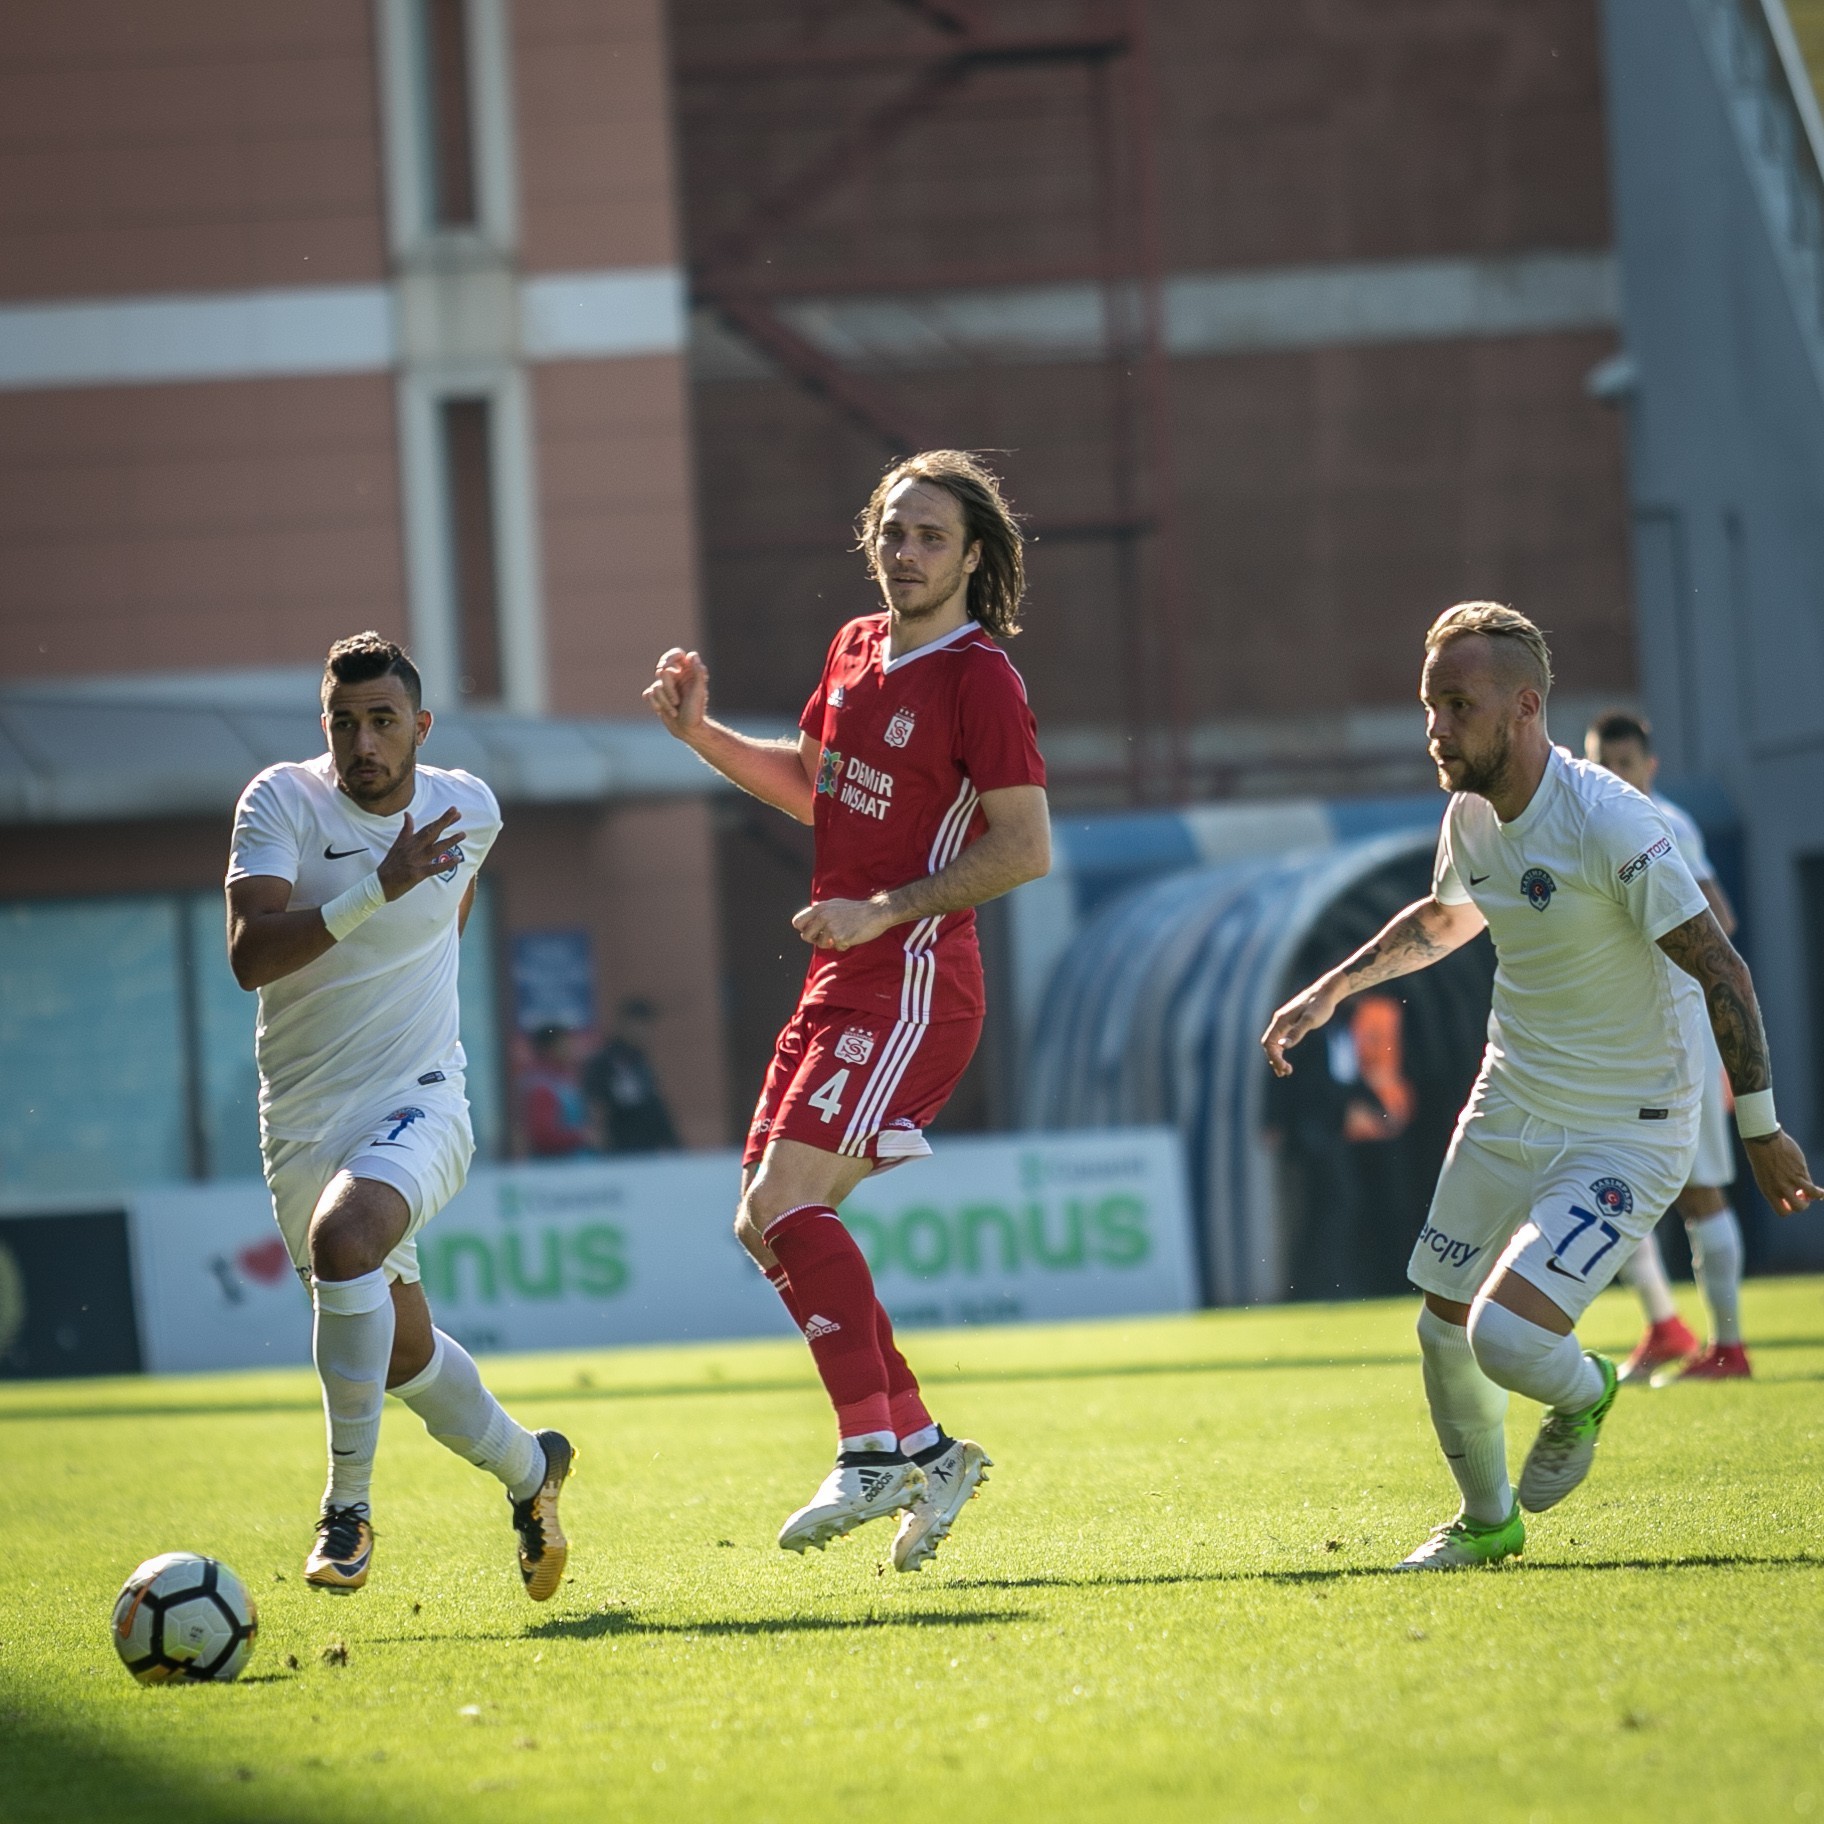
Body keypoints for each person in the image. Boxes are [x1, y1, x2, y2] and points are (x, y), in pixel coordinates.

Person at [1262, 602, 1818, 1572]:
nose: (1436, 728)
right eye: (1429, 705)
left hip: (1628, 1126)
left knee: (1507, 1339)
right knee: (1440, 1324)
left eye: (1458, 705)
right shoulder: (1470, 815)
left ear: (1525, 707)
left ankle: (1588, 1389)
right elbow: (1446, 918)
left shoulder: (1610, 819)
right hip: (1510, 1100)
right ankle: (1487, 1521)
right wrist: (1332, 990)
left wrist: (1763, 1129)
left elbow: (1721, 968)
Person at [643, 450, 1050, 1570]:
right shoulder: (856, 647)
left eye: (931, 537)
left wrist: (886, 909)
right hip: (844, 971)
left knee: (787, 1201)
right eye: (894, 532)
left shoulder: (981, 680)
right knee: (761, 1219)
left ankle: (869, 1450)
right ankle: (924, 1445)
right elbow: (816, 785)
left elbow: (1026, 848)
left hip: (916, 975)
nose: (907, 554)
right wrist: (701, 736)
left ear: (973, 556)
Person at [226, 632, 574, 1595]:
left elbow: (447, 915)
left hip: (422, 1099)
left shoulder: (470, 809)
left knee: (346, 1243)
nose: (362, 743)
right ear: (324, 725)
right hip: (302, 1119)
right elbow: (249, 956)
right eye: (344, 723)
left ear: (421, 727)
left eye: (383, 721)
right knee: (398, 1352)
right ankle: (533, 1470)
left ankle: (346, 1512)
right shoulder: (281, 801)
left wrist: (412, 960)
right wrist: (377, 889)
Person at [1586, 709, 1751, 1382]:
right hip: (1622, 1036)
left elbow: (1721, 920)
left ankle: (1729, 1347)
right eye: (1604, 764)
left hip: (1680, 1035)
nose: (1615, 775)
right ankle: (1664, 1325)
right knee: (1607, 1182)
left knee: (1698, 1188)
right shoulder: (1590, 827)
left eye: (1626, 763)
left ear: (1649, 767)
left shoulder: (1667, 825)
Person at [582, 998, 682, 1154]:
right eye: (640, 1025)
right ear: (625, 1024)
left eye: (648, 1026)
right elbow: (595, 1104)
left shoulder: (640, 1061)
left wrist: (674, 1143)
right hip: (619, 1150)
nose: (645, 1032)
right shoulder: (604, 1061)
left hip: (648, 1148)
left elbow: (653, 1105)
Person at [520, 1025, 598, 1158]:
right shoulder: (541, 1086)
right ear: (549, 1049)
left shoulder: (566, 1079)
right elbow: (542, 1136)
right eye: (565, 1044)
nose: (571, 1049)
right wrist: (581, 1137)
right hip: (557, 1165)